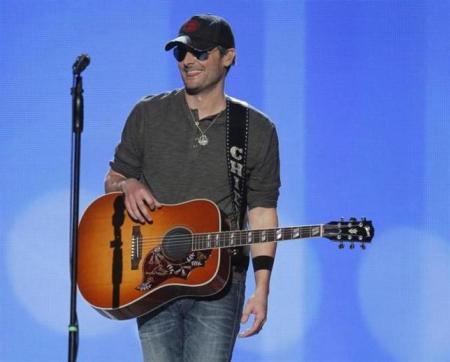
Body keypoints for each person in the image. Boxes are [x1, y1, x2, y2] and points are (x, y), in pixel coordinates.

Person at [104, 14, 280, 362]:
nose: (187, 61)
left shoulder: (255, 130)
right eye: (181, 53)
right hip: (152, 275)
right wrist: (128, 184)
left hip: (220, 281)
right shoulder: (148, 113)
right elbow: (113, 179)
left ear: (228, 56)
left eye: (200, 53)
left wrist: (262, 289)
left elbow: (261, 212)